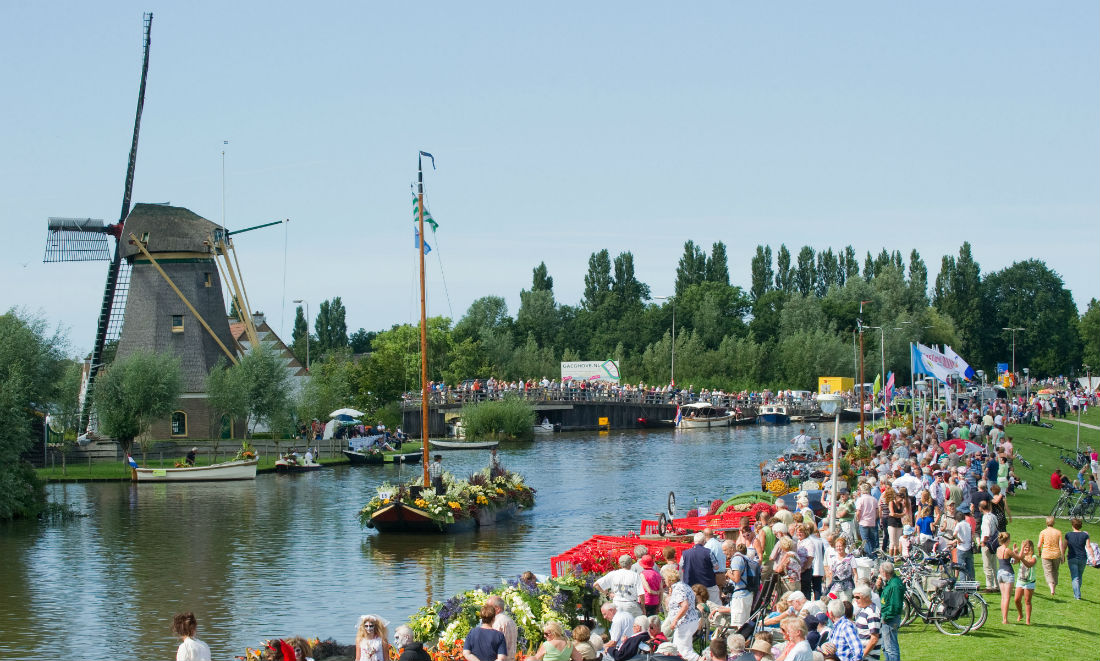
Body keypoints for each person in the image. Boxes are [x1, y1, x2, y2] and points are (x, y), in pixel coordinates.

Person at [661, 563, 700, 661]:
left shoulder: (678, 589)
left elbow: (685, 605)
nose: (664, 581)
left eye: (665, 579)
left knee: (683, 651)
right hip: (691, 621)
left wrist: (675, 620)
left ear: (669, 580)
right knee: (686, 648)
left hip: (685, 622)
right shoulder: (684, 586)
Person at [681, 532, 721, 604]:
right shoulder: (708, 552)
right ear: (704, 541)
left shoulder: (685, 553)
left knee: (693, 605)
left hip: (691, 584)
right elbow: (716, 567)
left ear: (694, 542)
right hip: (708, 583)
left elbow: (681, 566)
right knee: (715, 603)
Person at [876, 562, 903, 661]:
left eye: (880, 571)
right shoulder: (890, 582)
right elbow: (884, 598)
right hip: (887, 618)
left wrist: (885, 617)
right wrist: (879, 588)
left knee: (891, 648)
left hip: (890, 619)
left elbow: (895, 606)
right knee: (885, 647)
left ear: (885, 572)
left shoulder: (895, 585)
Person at [1037, 516, 1066, 596]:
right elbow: (1061, 545)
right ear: (1054, 523)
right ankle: (1054, 587)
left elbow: (1039, 545)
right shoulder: (1058, 532)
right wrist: (1063, 556)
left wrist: (1039, 552)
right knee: (1055, 571)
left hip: (1046, 554)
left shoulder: (1043, 532)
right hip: (1056, 554)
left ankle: (1051, 588)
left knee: (1048, 572)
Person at [995, 532, 1020, 624]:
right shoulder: (1007, 550)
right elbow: (1018, 558)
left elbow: (1012, 561)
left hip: (1000, 573)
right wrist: (1016, 551)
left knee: (1003, 597)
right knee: (1007, 597)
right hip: (1008, 573)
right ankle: (1005, 619)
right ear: (1007, 540)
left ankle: (1004, 618)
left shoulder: (998, 549)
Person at [852, 584, 881, 661]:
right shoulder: (864, 610)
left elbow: (874, 638)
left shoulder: (872, 613)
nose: (855, 600)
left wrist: (862, 656)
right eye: (854, 597)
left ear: (866, 597)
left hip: (868, 657)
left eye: (857, 597)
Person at [1065, 517, 1091, 600]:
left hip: (1072, 558)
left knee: (1075, 577)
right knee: (1079, 576)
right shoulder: (1085, 535)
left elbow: (1064, 546)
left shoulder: (1068, 535)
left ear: (1073, 525)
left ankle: (1077, 595)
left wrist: (1062, 555)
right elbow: (1089, 546)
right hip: (1083, 558)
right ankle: (1077, 593)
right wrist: (1093, 557)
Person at [1013, 539, 1037, 624]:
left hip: (1029, 582)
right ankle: (1020, 614)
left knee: (1027, 601)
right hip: (1020, 581)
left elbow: (1029, 565)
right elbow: (1014, 562)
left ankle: (1028, 620)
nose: (1025, 549)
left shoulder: (1034, 557)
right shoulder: (1021, 555)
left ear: (1031, 548)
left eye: (1027, 547)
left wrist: (1021, 557)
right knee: (1016, 599)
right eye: (1024, 547)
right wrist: (1015, 553)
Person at [488, 596, 518, 661]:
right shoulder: (511, 621)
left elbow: (493, 645)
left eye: (488, 607)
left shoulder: (497, 622)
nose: (486, 609)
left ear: (497, 609)